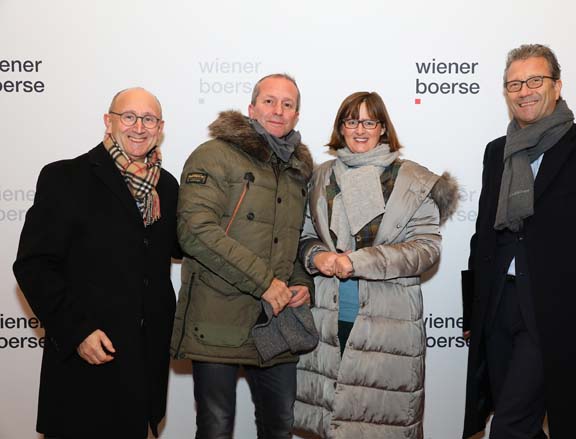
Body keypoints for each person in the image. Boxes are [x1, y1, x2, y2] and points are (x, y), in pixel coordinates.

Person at [462, 44, 576, 439]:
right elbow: (483, 236)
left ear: (557, 86)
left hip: (558, 309)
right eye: (515, 84)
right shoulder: (497, 152)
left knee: (509, 425)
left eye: (535, 80)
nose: (524, 91)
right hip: (498, 305)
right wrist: (471, 311)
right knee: (522, 421)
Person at [13, 87, 180, 439]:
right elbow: (34, 265)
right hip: (87, 355)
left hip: (143, 363)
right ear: (109, 121)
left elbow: (178, 248)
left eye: (149, 119)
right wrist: (77, 331)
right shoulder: (65, 177)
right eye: (129, 117)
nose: (139, 127)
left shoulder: (166, 187)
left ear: (160, 127)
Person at [293, 91, 458, 438]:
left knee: (378, 425)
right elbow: (304, 235)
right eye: (352, 121)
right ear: (341, 127)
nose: (360, 130)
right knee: (333, 423)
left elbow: (426, 249)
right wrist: (317, 256)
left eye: (369, 122)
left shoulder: (412, 181)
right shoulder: (321, 177)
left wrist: (358, 262)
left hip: (388, 324)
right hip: (327, 320)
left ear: (383, 128)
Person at [171, 73, 315, 439]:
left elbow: (295, 236)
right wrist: (265, 282)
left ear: (296, 115)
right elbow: (195, 231)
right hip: (218, 318)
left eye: (287, 104)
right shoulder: (213, 155)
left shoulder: (297, 169)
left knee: (280, 426)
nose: (278, 110)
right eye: (269, 101)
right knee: (216, 428)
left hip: (276, 321)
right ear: (251, 108)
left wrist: (301, 282)